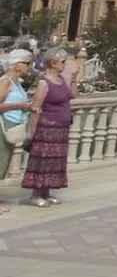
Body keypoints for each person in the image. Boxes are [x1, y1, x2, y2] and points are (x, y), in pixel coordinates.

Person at [22, 46, 78, 207]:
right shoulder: (44, 83)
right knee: (43, 161)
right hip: (47, 128)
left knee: (55, 162)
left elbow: (72, 95)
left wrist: (74, 79)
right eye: (62, 62)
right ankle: (35, 194)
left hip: (61, 128)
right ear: (53, 62)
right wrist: (32, 132)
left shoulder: (61, 80)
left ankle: (47, 192)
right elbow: (36, 107)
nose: (64, 65)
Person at [0, 48, 35, 214]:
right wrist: (19, 105)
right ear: (17, 65)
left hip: (13, 125)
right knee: (1, 162)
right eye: (27, 63)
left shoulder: (17, 83)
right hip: (3, 126)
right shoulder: (5, 82)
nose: (30, 67)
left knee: (4, 163)